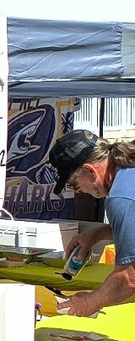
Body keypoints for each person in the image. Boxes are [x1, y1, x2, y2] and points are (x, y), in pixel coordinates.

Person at [48, 130, 135, 317]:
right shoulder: (129, 174)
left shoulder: (121, 197)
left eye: (74, 184)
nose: (78, 192)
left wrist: (90, 302)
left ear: (89, 170)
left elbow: (129, 277)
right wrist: (97, 234)